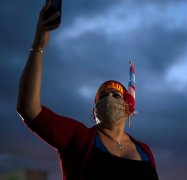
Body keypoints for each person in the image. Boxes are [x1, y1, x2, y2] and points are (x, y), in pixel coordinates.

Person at [16, 2, 158, 180]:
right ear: (94, 111)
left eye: (116, 95)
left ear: (129, 109)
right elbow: (29, 110)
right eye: (102, 96)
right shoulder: (79, 138)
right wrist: (38, 46)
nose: (109, 98)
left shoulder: (144, 151)